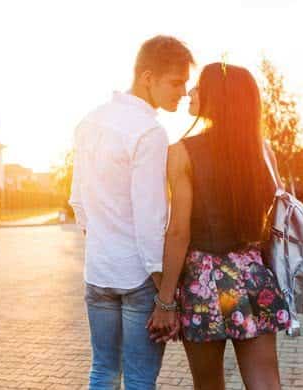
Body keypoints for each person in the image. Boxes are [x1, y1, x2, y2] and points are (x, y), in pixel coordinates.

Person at [148, 62, 289, 390]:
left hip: (203, 282)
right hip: (254, 276)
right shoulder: (262, 151)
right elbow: (274, 221)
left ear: (217, 98)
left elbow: (179, 232)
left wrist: (165, 300)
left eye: (199, 87)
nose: (191, 93)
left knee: (208, 384)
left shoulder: (182, 151)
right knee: (266, 382)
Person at [69, 35, 194, 389]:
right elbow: (151, 219)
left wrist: (103, 247)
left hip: (98, 272)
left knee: (102, 372)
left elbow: (78, 201)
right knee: (139, 380)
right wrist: (164, 296)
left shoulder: (89, 122)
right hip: (139, 278)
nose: (183, 92)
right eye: (176, 82)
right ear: (148, 77)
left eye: (186, 83)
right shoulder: (149, 132)